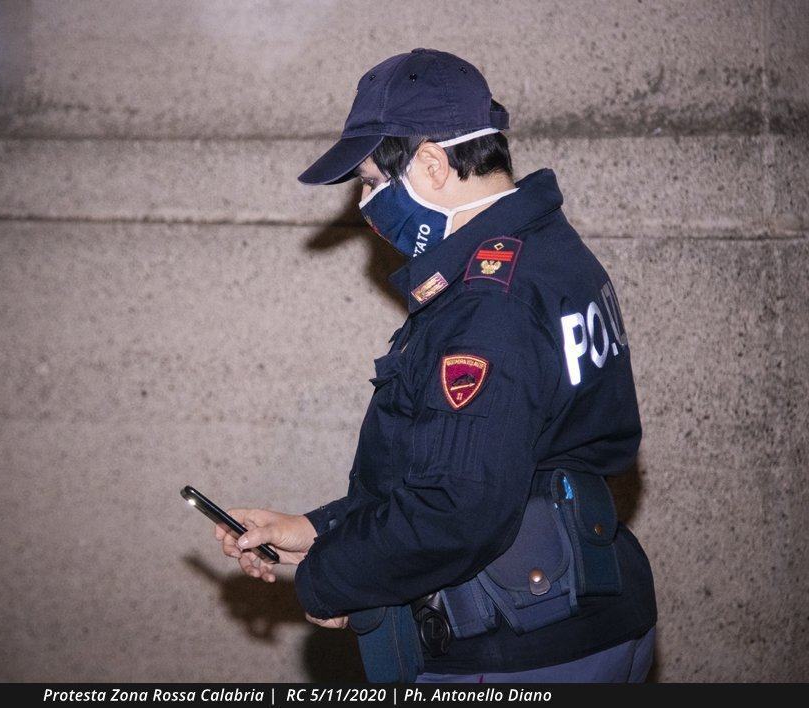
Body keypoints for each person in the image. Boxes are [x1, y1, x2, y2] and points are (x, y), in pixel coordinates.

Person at [212, 48, 657, 683]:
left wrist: (330, 578)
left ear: (430, 163)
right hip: (585, 611)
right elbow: (486, 462)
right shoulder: (549, 251)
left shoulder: (488, 303)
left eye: (369, 182)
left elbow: (457, 509)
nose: (365, 207)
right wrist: (319, 529)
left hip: (518, 649)